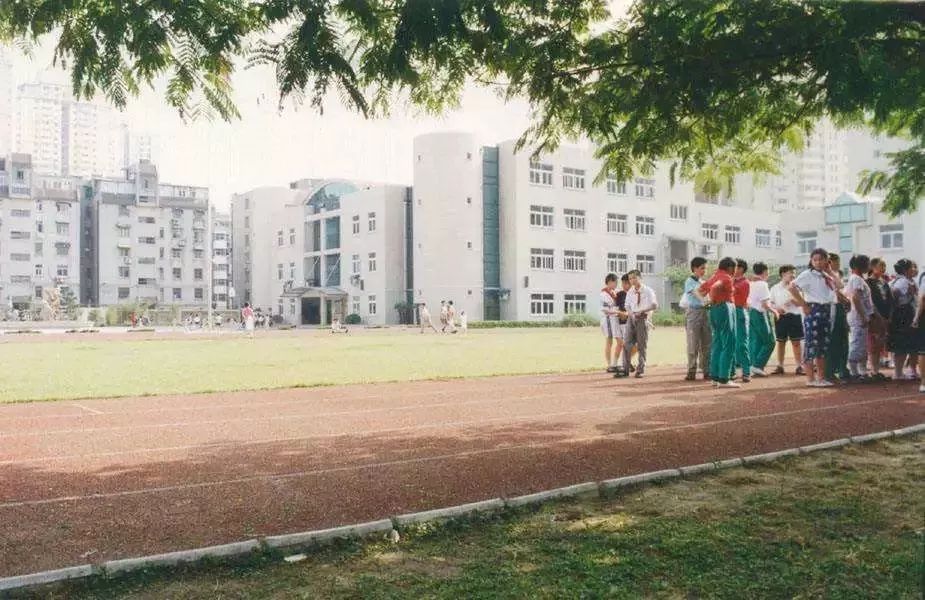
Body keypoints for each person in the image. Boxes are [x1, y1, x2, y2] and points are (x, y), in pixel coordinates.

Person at [789, 248, 837, 388]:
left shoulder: (825, 276)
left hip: (826, 310)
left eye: (821, 259)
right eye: (814, 260)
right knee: (811, 344)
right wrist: (803, 304)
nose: (817, 262)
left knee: (822, 345)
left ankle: (821, 378)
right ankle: (810, 378)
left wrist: (829, 271)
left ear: (826, 261)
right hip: (814, 309)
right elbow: (792, 287)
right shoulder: (807, 274)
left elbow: (839, 286)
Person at [696, 257, 738, 388]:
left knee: (718, 343)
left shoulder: (714, 276)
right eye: (735, 268)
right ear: (731, 267)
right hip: (725, 308)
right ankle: (724, 379)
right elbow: (715, 286)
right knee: (729, 343)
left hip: (714, 310)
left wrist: (707, 300)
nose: (735, 271)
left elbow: (699, 291)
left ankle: (715, 377)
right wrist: (713, 295)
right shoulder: (725, 277)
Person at [621, 270, 657, 378]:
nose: (632, 280)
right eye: (630, 278)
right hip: (631, 319)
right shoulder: (630, 292)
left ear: (640, 278)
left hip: (642, 318)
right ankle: (625, 369)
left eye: (634, 278)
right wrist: (631, 313)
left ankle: (640, 369)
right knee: (626, 343)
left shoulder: (648, 291)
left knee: (642, 345)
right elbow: (627, 305)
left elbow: (654, 305)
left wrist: (642, 311)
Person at [769, 265, 804, 376]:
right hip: (781, 317)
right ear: (783, 274)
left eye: (794, 273)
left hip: (794, 316)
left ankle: (799, 366)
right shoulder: (775, 288)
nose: (793, 275)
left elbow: (802, 303)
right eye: (791, 273)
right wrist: (777, 308)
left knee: (796, 342)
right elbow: (771, 303)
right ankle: (780, 366)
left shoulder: (797, 287)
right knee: (781, 342)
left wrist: (793, 301)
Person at [888, 259, 919, 381]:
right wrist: (898, 307)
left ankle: (909, 370)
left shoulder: (908, 281)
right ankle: (898, 372)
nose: (914, 269)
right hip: (904, 314)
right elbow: (894, 294)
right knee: (902, 344)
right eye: (912, 267)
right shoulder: (902, 282)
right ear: (906, 270)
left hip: (908, 313)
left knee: (911, 343)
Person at [682, 257, 711, 381]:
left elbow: (706, 294)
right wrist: (704, 300)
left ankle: (707, 370)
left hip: (705, 312)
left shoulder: (702, 282)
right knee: (693, 343)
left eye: (705, 268)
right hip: (694, 313)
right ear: (694, 268)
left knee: (707, 343)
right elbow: (695, 293)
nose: (704, 270)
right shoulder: (690, 280)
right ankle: (691, 370)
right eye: (702, 268)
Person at [845, 254, 874, 380]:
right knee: (857, 342)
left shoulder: (859, 279)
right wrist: (863, 316)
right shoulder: (856, 279)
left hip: (860, 316)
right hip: (858, 317)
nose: (869, 266)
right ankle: (853, 372)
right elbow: (856, 298)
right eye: (867, 263)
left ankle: (860, 371)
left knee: (861, 343)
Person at [824, 253, 851, 383]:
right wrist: (844, 300)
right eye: (835, 262)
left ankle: (842, 369)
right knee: (833, 342)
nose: (838, 264)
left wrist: (845, 300)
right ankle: (830, 371)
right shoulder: (823, 276)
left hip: (840, 310)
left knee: (843, 341)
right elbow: (834, 293)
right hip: (830, 310)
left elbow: (840, 289)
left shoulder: (836, 274)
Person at [747, 262, 775, 377]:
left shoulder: (750, 283)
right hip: (759, 314)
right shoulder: (763, 284)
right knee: (770, 341)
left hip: (751, 313)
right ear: (765, 272)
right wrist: (775, 311)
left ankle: (754, 365)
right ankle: (758, 365)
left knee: (756, 341)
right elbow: (765, 304)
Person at [866, 258, 892, 379]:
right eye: (881, 266)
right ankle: (874, 370)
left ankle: (877, 370)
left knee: (882, 342)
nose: (883, 268)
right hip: (874, 317)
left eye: (884, 266)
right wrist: (877, 316)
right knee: (874, 344)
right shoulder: (868, 282)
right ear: (872, 267)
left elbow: (890, 300)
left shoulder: (884, 282)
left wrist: (889, 315)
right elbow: (870, 302)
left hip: (885, 316)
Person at [731, 259, 752, 382]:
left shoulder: (744, 282)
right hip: (731, 311)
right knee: (730, 343)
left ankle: (746, 372)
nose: (733, 269)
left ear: (741, 269)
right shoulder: (732, 281)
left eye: (735, 267)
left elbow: (734, 291)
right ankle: (732, 371)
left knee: (742, 343)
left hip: (739, 312)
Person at [613, 274, 636, 374]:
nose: (624, 285)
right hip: (622, 323)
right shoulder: (619, 295)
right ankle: (624, 363)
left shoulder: (635, 294)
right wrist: (619, 314)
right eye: (622, 283)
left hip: (633, 321)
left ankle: (627, 361)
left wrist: (627, 314)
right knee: (625, 344)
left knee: (636, 345)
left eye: (626, 283)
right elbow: (616, 309)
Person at [600, 273, 621, 373]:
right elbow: (605, 310)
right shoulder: (604, 294)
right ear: (609, 282)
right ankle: (609, 365)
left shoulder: (614, 292)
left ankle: (614, 364)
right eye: (615, 282)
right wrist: (618, 312)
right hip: (608, 319)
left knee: (617, 342)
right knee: (609, 342)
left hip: (614, 319)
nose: (617, 284)